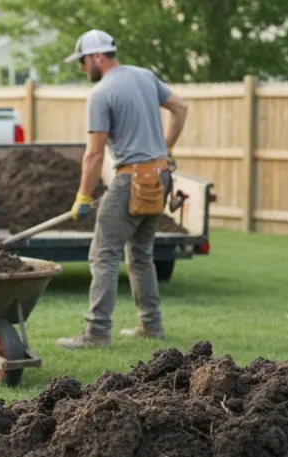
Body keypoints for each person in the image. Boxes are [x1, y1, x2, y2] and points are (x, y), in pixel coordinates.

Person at [56, 30, 189, 350]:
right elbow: (181, 108)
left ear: (98, 57)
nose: (83, 69)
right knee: (141, 254)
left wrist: (83, 196)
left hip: (131, 180)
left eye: (84, 62)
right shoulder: (145, 76)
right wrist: (165, 150)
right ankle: (151, 325)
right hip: (160, 177)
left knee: (103, 255)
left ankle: (97, 333)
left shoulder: (101, 93)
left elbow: (94, 154)